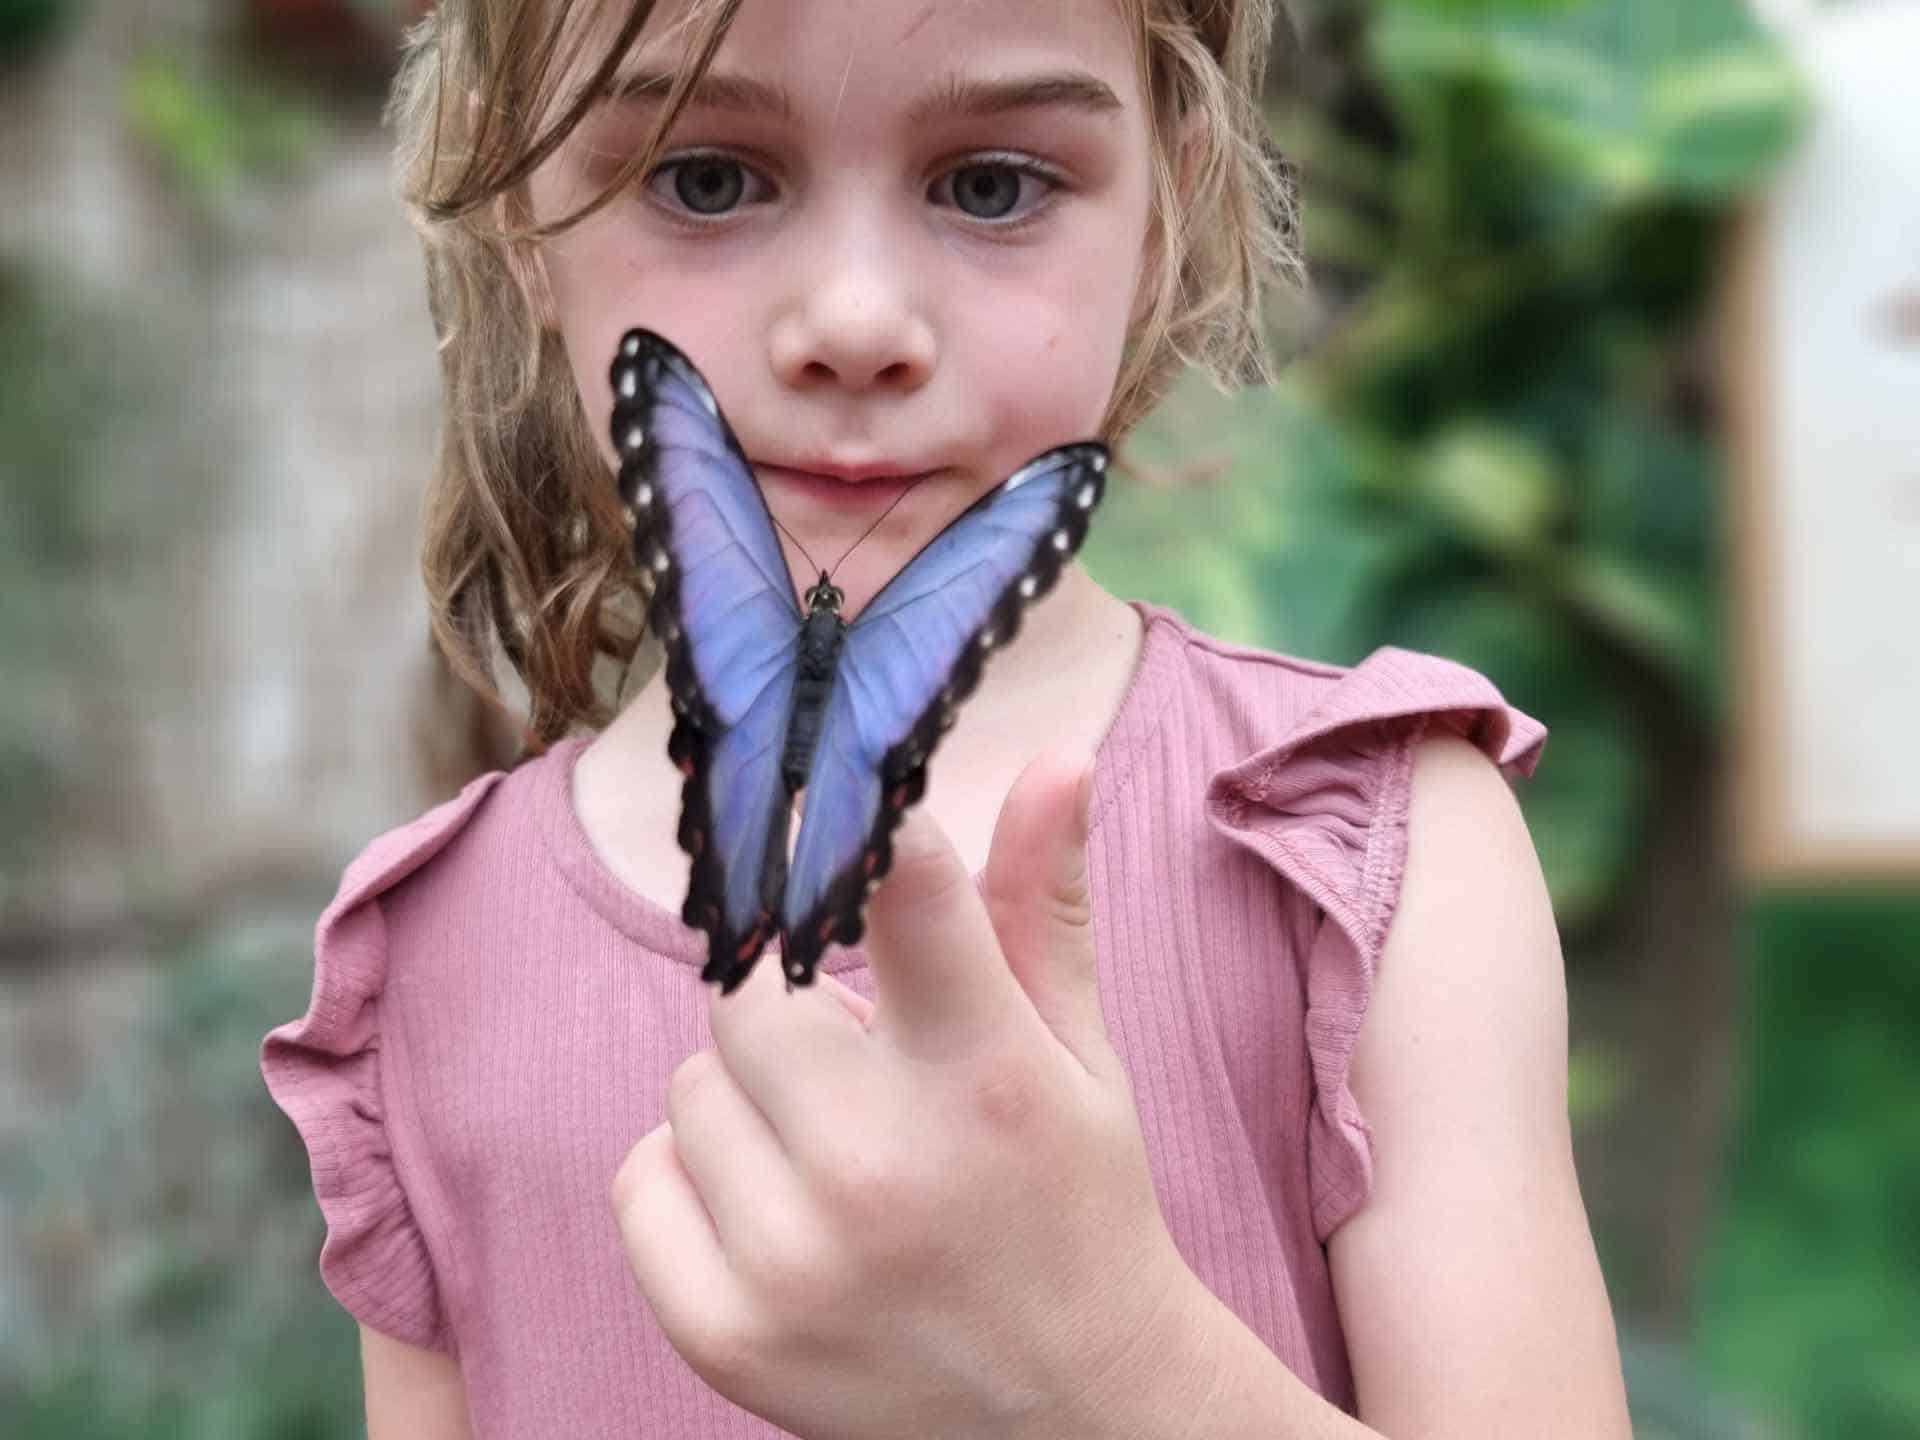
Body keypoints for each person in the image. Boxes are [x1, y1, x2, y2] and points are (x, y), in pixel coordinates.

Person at [260, 0, 1635, 1436]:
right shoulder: (423, 959)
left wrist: (1106, 1358)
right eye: (705, 178)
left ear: (1168, 210)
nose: (856, 324)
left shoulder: (1363, 847)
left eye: (992, 186)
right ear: (517, 217)